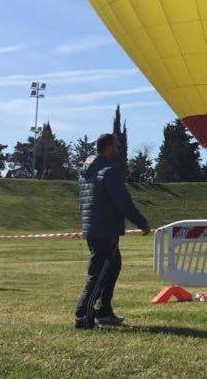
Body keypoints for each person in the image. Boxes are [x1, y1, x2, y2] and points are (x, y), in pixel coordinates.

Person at [75, 133, 150, 329]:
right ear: (108, 148)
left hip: (92, 228)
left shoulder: (86, 172)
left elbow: (83, 202)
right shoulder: (110, 171)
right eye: (117, 147)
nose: (119, 150)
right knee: (99, 273)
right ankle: (83, 315)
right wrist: (141, 222)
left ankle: (104, 311)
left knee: (113, 266)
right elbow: (123, 202)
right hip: (105, 229)